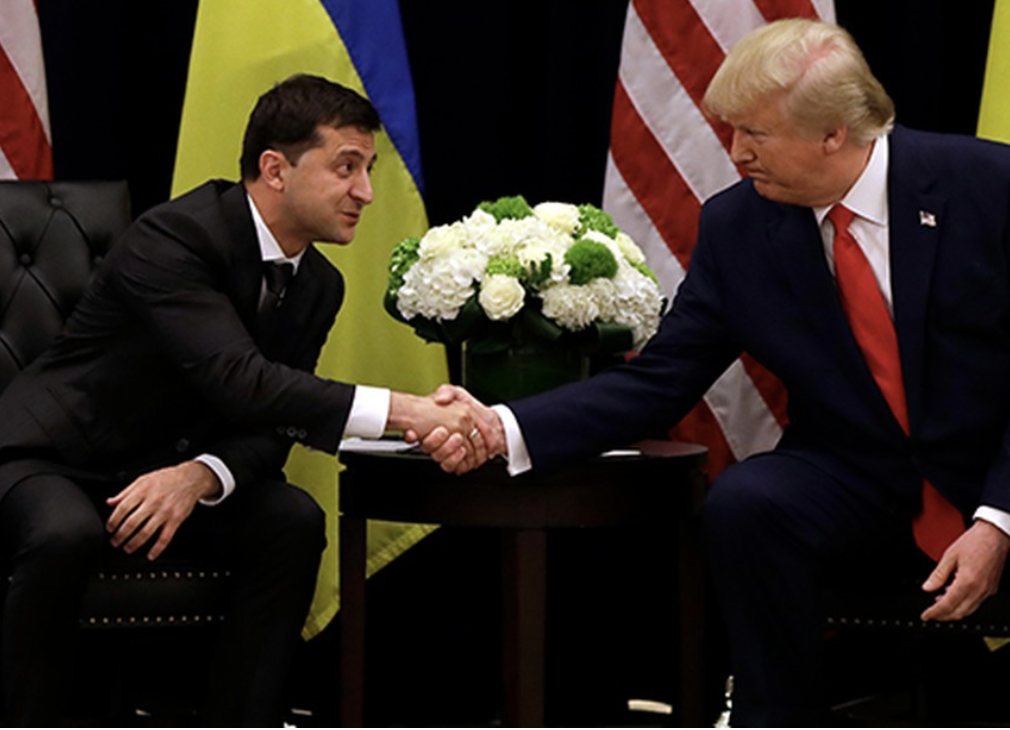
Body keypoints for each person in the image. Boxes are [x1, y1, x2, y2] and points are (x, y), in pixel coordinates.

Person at [420, 19, 1010, 725]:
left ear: (835, 134)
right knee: (748, 500)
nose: (736, 154)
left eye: (755, 134)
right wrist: (501, 424)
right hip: (860, 477)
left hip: (992, 467)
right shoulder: (737, 227)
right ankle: (773, 715)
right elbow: (658, 380)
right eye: (731, 131)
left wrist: (998, 518)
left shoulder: (986, 186)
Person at [0, 73, 481, 726]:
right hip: (50, 455)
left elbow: (274, 420)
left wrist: (203, 475)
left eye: (367, 169)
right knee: (64, 532)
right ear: (275, 169)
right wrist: (411, 411)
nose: (365, 193)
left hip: (170, 466)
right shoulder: (173, 237)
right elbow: (241, 379)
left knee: (291, 520)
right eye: (346, 168)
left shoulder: (318, 285)